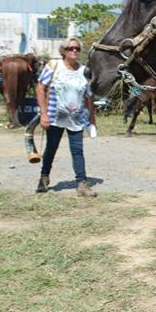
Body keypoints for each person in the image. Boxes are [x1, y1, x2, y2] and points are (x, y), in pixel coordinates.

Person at [35, 37, 97, 197]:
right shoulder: (54, 66)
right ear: (63, 51)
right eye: (70, 48)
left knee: (77, 150)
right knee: (51, 148)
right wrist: (43, 114)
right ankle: (44, 177)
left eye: (77, 48)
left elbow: (89, 97)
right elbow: (40, 88)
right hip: (55, 117)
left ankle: (82, 184)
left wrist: (92, 118)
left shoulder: (84, 71)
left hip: (76, 118)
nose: (74, 50)